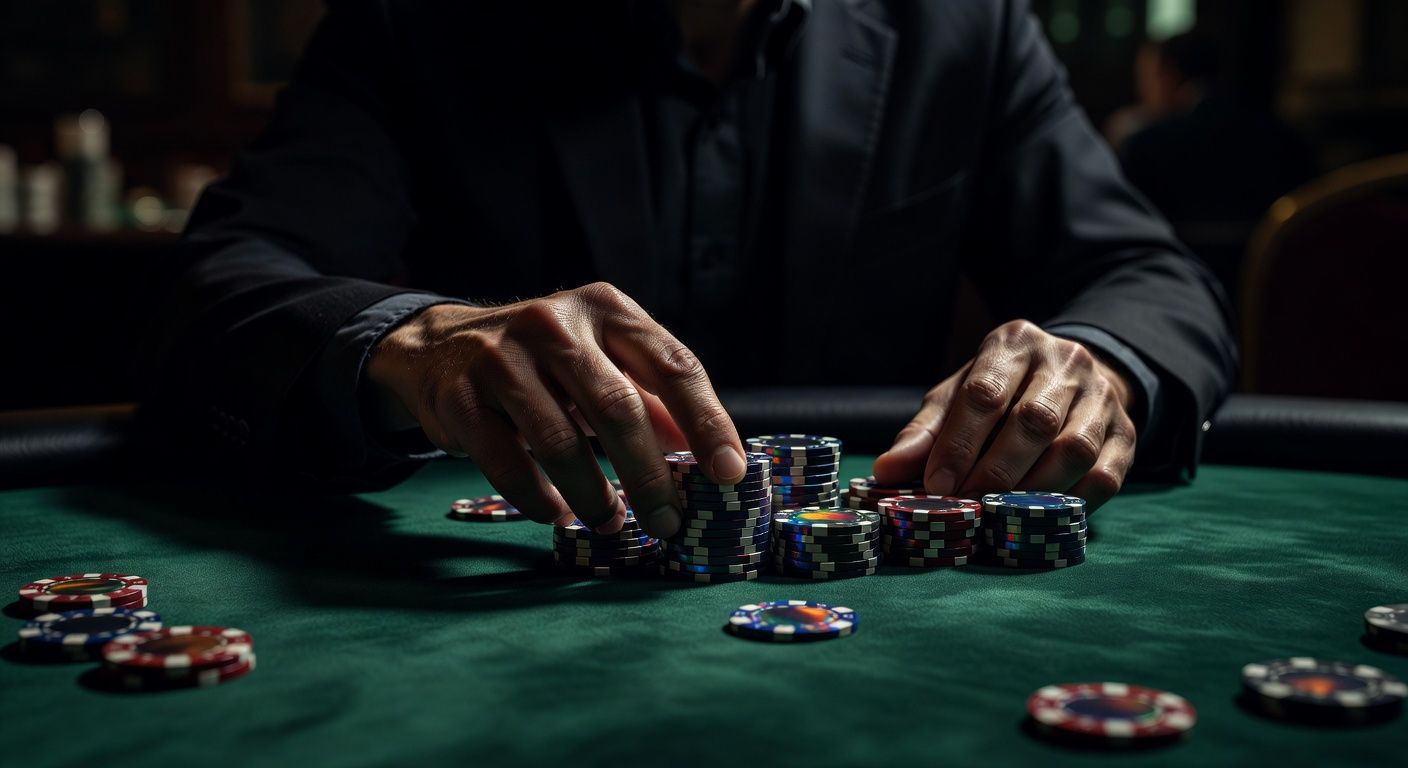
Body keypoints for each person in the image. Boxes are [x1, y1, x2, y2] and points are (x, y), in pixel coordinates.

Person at [143, 0, 1236, 541]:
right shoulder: (417, 19)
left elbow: (1147, 276)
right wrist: (412, 343)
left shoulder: (962, 26)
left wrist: (1095, 359)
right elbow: (224, 279)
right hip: (516, 588)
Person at [1116, 32, 1316, 299]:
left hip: (1173, 298)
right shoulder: (1285, 139)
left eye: (1146, 80)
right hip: (1270, 297)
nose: (1142, 93)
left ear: (1170, 75)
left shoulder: (1147, 145)